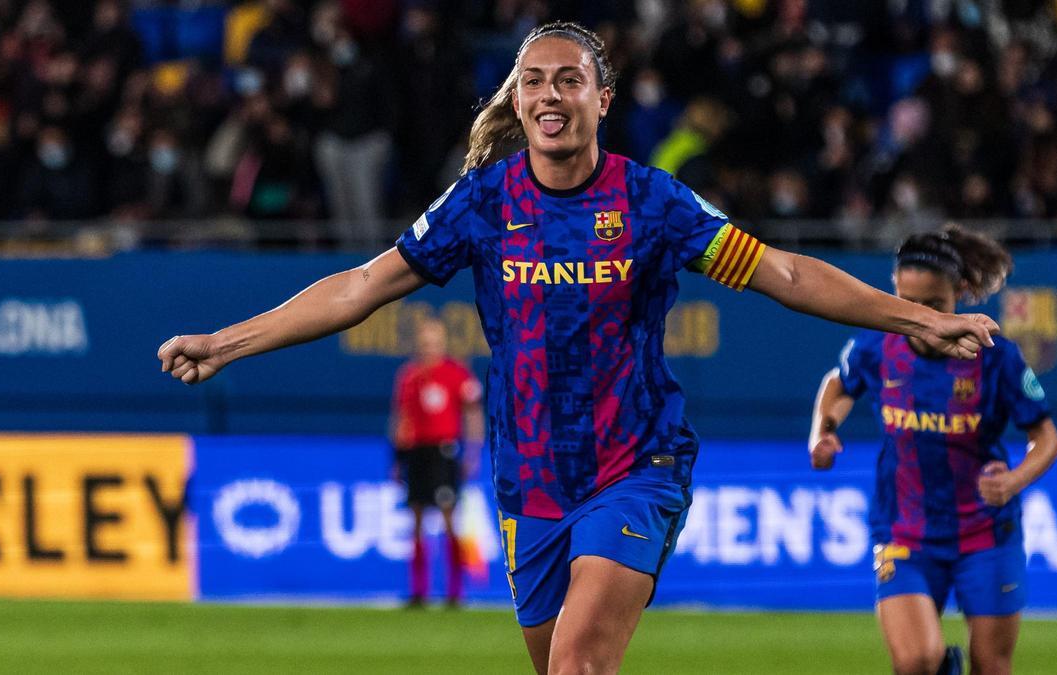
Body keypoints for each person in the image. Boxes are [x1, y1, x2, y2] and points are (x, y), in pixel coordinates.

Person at [158, 22, 1000, 674]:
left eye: (569, 79)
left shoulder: (652, 202)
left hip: (636, 466)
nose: (550, 94)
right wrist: (227, 343)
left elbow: (780, 271)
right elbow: (361, 286)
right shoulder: (482, 202)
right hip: (529, 480)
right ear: (517, 101)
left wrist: (917, 319)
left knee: (577, 663)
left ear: (602, 97)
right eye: (534, 81)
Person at [808, 224, 1057, 675]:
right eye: (909, 304)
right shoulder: (876, 342)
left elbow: (1046, 437)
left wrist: (1015, 479)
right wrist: (823, 431)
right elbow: (837, 383)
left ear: (959, 293)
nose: (923, 319)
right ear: (893, 291)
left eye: (935, 306)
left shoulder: (995, 356)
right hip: (904, 530)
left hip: (985, 533)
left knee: (992, 665)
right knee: (916, 661)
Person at [389, 316, 484, 608]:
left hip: (444, 452)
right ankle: (419, 591)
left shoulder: (457, 374)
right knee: (416, 518)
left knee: (448, 518)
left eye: (435, 343)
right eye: (425, 343)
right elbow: (401, 418)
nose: (430, 348)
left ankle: (455, 592)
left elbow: (473, 413)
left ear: (442, 344)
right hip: (417, 452)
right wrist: (397, 459)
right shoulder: (409, 376)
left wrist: (473, 450)